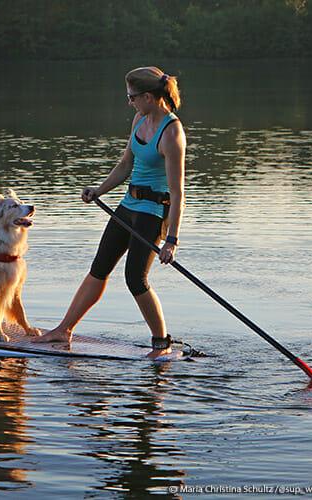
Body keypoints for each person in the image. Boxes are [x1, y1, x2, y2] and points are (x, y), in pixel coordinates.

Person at [33, 66, 186, 359]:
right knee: (99, 267)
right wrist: (99, 191)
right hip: (128, 206)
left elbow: (178, 192)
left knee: (135, 279)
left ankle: (161, 342)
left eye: (132, 97)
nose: (129, 102)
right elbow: (126, 165)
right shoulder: (139, 119)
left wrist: (172, 241)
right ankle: (63, 330)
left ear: (150, 97)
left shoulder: (172, 133)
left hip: (154, 212)